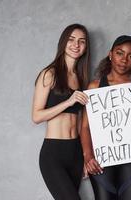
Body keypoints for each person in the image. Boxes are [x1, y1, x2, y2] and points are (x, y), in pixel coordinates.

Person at [80, 35, 131, 200]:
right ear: (110, 54)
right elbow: (85, 127)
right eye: (120, 53)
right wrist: (88, 156)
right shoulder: (95, 87)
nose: (124, 60)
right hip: (103, 161)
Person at [31, 23, 90, 200]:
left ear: (85, 47)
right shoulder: (49, 74)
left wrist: (85, 156)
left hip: (75, 153)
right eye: (71, 40)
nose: (76, 45)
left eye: (81, 41)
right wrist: (68, 102)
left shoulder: (81, 78)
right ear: (63, 42)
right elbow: (36, 116)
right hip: (54, 153)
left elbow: (80, 121)